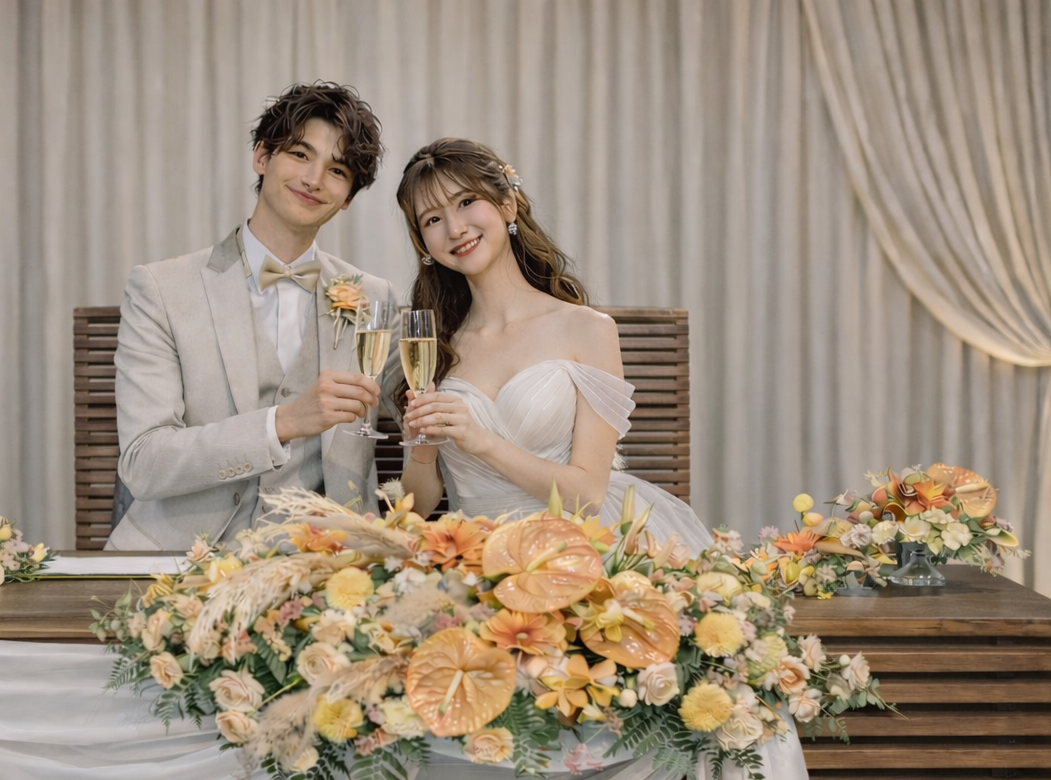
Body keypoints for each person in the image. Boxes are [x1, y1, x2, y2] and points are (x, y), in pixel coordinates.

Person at [107, 82, 400, 552]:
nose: (314, 179)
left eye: (337, 170)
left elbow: (425, 414)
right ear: (262, 156)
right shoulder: (160, 288)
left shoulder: (375, 298)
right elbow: (143, 463)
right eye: (300, 155)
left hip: (331, 565)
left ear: (347, 197)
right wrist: (280, 422)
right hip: (181, 562)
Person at [389, 138, 710, 552]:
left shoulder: (587, 329)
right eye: (433, 219)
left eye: (466, 202)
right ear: (424, 244)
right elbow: (416, 510)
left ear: (508, 205)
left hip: (578, 549)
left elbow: (588, 496)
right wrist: (422, 451)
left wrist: (480, 440)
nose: (455, 228)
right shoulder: (433, 347)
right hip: (473, 556)